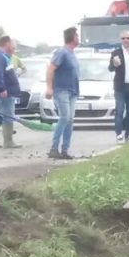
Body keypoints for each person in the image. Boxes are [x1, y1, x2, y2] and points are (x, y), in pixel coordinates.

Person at [45, 27, 80, 159]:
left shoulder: (72, 53)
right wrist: (49, 87)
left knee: (70, 120)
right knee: (64, 117)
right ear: (72, 37)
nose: (78, 38)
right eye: (77, 35)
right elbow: (51, 69)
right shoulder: (62, 52)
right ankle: (54, 148)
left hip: (72, 91)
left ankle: (65, 149)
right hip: (61, 90)